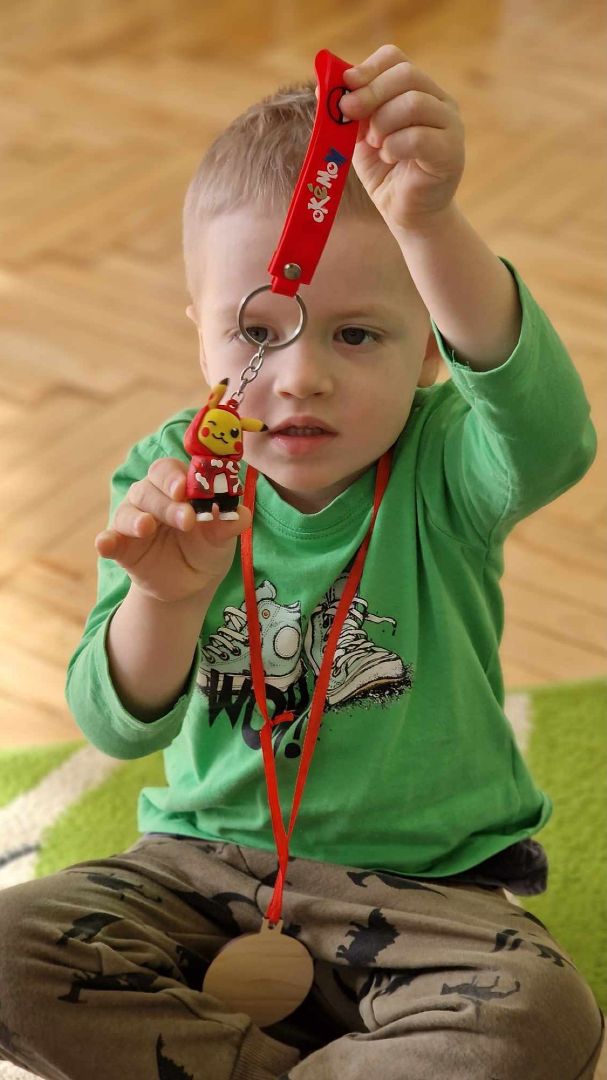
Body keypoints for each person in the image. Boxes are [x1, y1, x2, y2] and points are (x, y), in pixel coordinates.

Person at [0, 44, 603, 1080]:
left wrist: (428, 224)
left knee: (540, 1019)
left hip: (428, 894)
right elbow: (116, 721)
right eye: (256, 331)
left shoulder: (444, 463)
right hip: (198, 874)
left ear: (429, 348)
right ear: (199, 336)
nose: (299, 377)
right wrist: (164, 599)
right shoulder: (170, 474)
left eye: (357, 335)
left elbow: (550, 437)